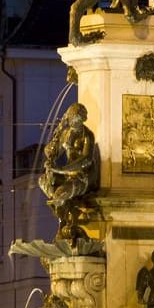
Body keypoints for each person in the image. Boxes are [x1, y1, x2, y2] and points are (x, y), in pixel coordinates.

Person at [39, 103, 99, 243]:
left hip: (83, 176)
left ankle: (64, 224)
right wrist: (50, 154)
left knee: (60, 193)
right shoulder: (66, 133)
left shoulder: (87, 135)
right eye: (71, 118)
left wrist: (62, 170)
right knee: (43, 181)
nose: (71, 121)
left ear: (81, 119)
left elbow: (86, 159)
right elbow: (53, 151)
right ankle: (66, 211)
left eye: (74, 119)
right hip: (68, 174)